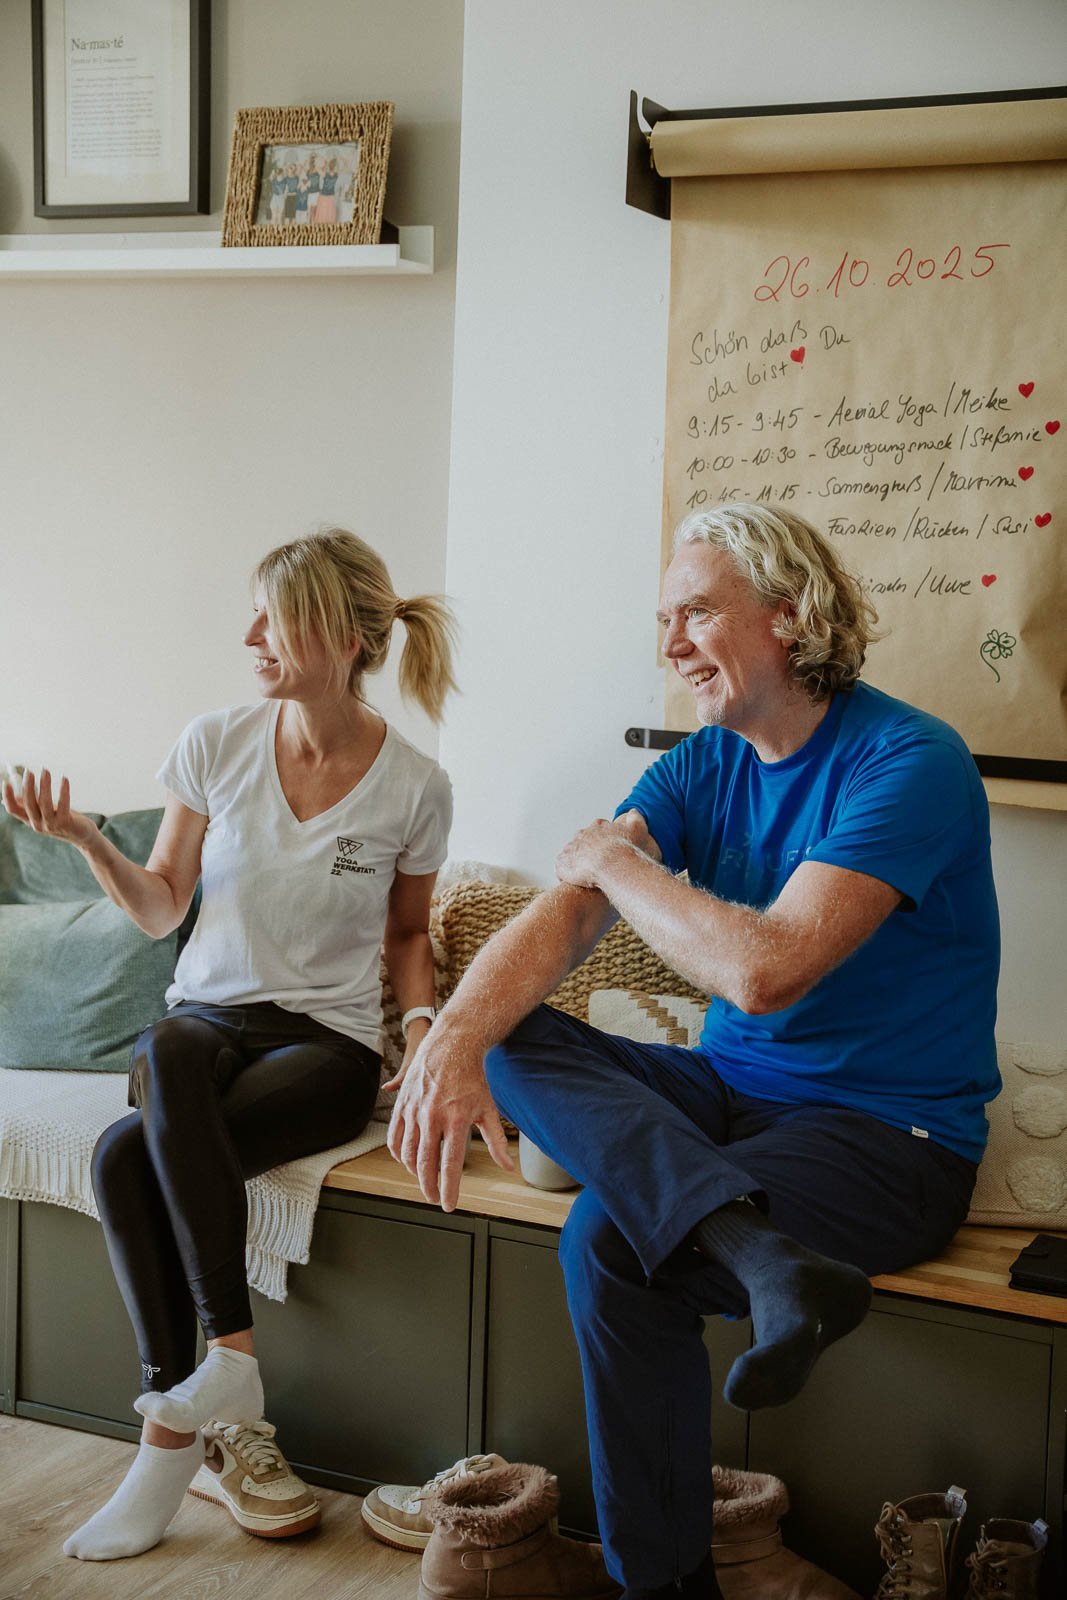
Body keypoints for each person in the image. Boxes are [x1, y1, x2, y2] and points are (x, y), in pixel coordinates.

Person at [388, 502, 1000, 1600]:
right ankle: (761, 1257)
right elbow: (560, 922)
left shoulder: (910, 760)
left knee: (607, 1243)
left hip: (889, 1138)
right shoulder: (701, 765)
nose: (668, 642)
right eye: (662, 617)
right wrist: (447, 1040)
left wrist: (617, 865)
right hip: (726, 1096)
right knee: (508, 1026)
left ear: (789, 613)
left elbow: (763, 970)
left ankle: (661, 1585)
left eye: (696, 612)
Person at [3, 527, 457, 1563]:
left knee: (126, 1153)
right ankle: (228, 1367)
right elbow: (163, 906)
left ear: (339, 636)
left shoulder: (414, 786)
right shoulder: (215, 741)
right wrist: (81, 840)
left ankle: (180, 1434)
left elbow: (404, 934)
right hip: (206, 1024)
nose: (250, 633)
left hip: (327, 1042)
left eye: (273, 614)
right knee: (166, 1047)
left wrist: (423, 1029)